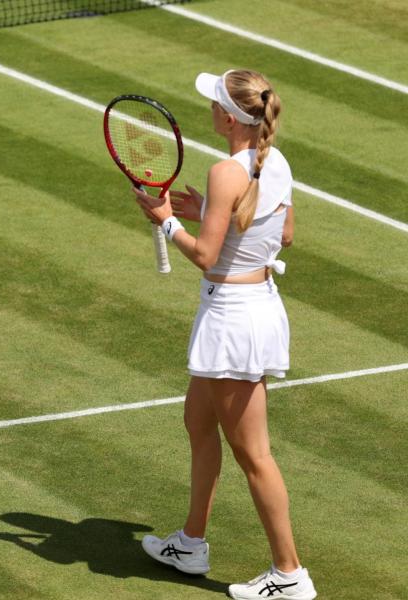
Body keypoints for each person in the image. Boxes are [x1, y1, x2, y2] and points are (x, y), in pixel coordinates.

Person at [133, 70, 315, 599]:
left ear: (229, 118)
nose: (209, 108)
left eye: (214, 102)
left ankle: (290, 575)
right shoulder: (273, 162)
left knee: (253, 453)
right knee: (197, 420)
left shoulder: (224, 171)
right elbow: (283, 232)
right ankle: (190, 542)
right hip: (254, 309)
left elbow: (207, 257)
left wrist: (169, 221)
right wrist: (207, 212)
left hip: (233, 317)